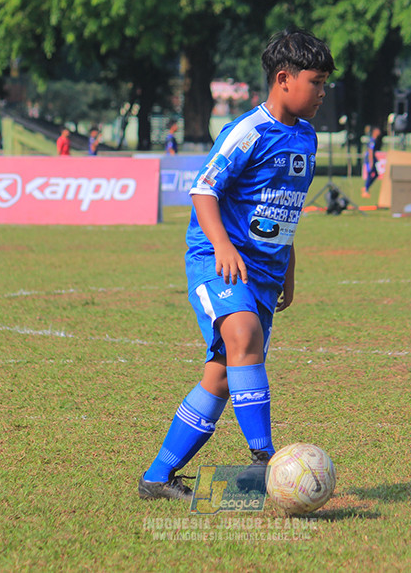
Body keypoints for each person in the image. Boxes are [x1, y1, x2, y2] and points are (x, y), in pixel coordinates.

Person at [138, 29, 335, 501]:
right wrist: (224, 247)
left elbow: (285, 208)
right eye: (317, 81)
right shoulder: (248, 131)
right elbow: (205, 190)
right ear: (284, 79)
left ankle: (157, 477)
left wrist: (288, 265)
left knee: (223, 374)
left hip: (265, 273)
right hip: (218, 261)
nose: (324, 91)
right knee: (243, 335)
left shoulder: (305, 138)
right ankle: (266, 461)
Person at [362, 126, 383, 197]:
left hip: (372, 159)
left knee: (376, 174)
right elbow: (370, 151)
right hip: (369, 159)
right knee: (370, 173)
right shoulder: (372, 141)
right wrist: (371, 161)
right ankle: (365, 190)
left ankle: (366, 187)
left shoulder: (374, 140)